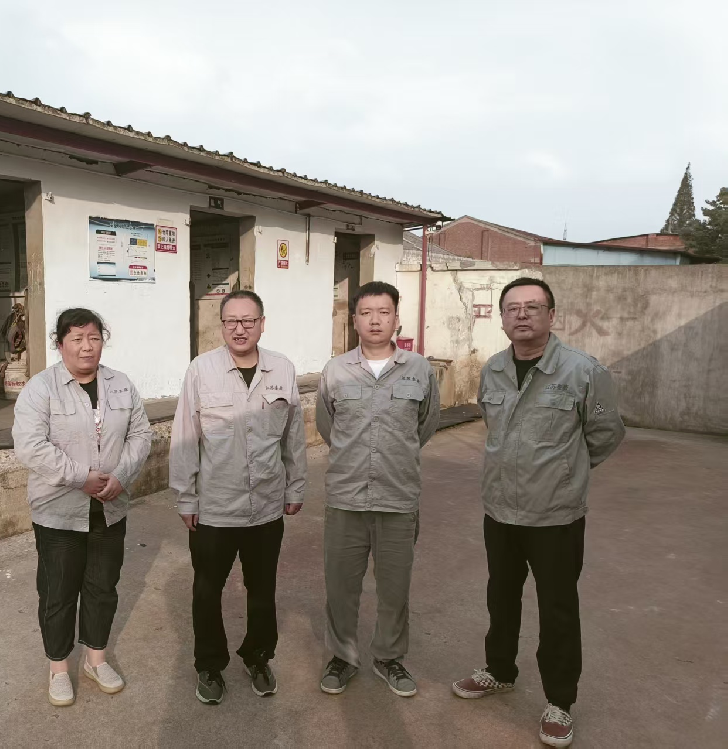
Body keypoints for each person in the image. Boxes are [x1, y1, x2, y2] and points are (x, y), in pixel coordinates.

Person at [451, 278, 625, 748]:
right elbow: (495, 429)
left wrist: (566, 473)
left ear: (552, 315)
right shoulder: (493, 370)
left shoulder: (584, 371)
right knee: (501, 597)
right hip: (500, 511)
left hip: (555, 515)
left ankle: (560, 701)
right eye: (513, 308)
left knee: (558, 608)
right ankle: (499, 671)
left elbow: (605, 433)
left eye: (533, 306)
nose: (522, 315)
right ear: (502, 318)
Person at [169, 289, 307, 705]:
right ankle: (209, 665)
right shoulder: (201, 370)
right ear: (222, 325)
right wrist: (186, 497)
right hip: (215, 506)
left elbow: (293, 436)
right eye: (232, 321)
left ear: (262, 324)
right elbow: (185, 436)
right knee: (207, 591)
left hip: (266, 505)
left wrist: (295, 485)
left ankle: (258, 656)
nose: (240, 329)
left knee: (262, 590)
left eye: (249, 320)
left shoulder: (282, 369)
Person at [12, 308, 152, 707]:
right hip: (58, 511)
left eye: (93, 337)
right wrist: (81, 477)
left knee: (102, 587)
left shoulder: (121, 385)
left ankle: (95, 660)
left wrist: (120, 476)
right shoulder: (40, 389)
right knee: (58, 592)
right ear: (60, 345)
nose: (86, 347)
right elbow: (30, 446)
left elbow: (141, 434)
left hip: (110, 506)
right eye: (76, 339)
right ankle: (59, 668)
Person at [315, 281, 441, 698]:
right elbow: (328, 427)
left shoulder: (419, 369)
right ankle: (343, 656)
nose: (374, 320)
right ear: (354, 320)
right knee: (341, 587)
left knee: (394, 589)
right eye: (366, 313)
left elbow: (424, 426)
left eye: (383, 312)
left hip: (397, 497)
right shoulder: (335, 371)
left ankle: (388, 657)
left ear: (396, 318)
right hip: (345, 499)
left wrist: (393, 455)